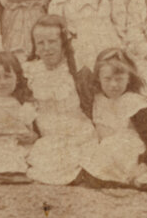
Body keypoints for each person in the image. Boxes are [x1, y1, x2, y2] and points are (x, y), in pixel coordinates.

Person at [21, 15, 97, 186]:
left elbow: (93, 106)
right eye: (40, 43)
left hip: (79, 137)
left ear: (63, 43)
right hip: (48, 139)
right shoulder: (30, 72)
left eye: (52, 41)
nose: (46, 48)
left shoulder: (77, 71)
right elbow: (27, 107)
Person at [84, 48, 147, 186]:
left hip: (135, 158)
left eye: (119, 79)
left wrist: (143, 166)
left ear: (129, 79)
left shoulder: (134, 103)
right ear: (98, 78)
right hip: (108, 157)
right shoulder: (97, 100)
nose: (113, 85)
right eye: (107, 79)